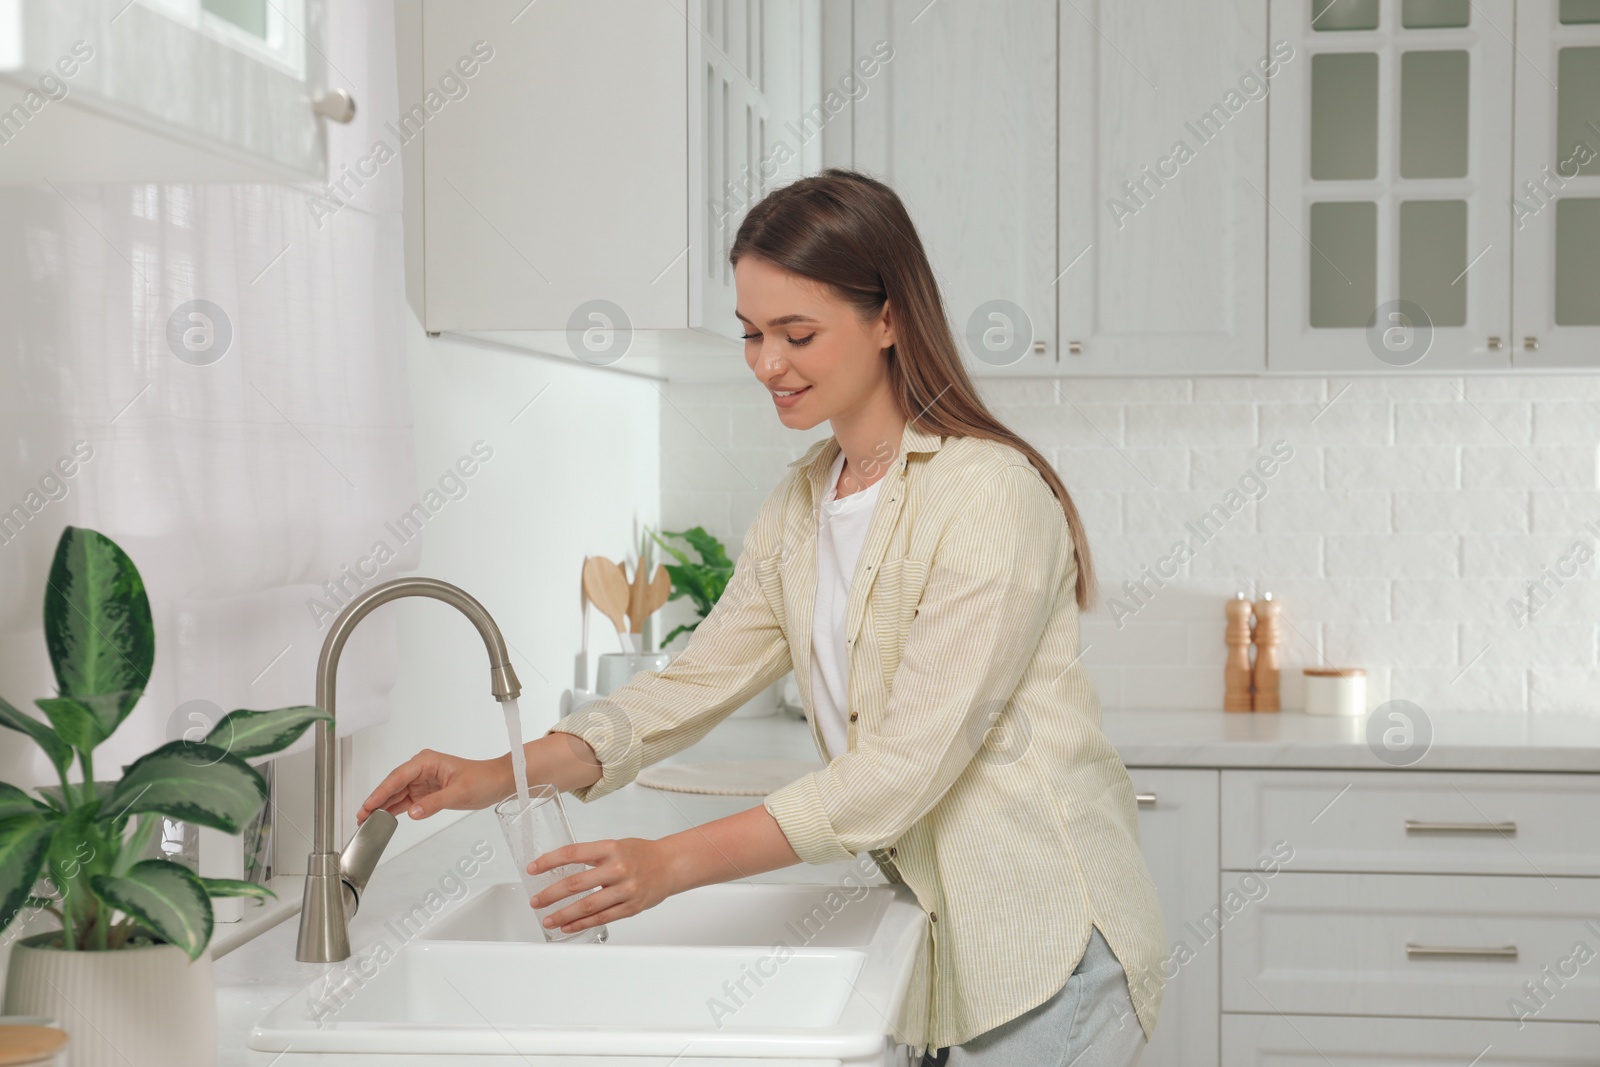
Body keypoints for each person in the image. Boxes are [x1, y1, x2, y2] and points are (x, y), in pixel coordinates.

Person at [357, 168, 1165, 1065]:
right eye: (751, 333)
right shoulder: (802, 504)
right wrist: (495, 774)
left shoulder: (988, 497)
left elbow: (900, 769)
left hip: (1047, 947)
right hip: (942, 942)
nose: (766, 363)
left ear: (889, 318)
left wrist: (667, 864)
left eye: (797, 333)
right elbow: (690, 685)